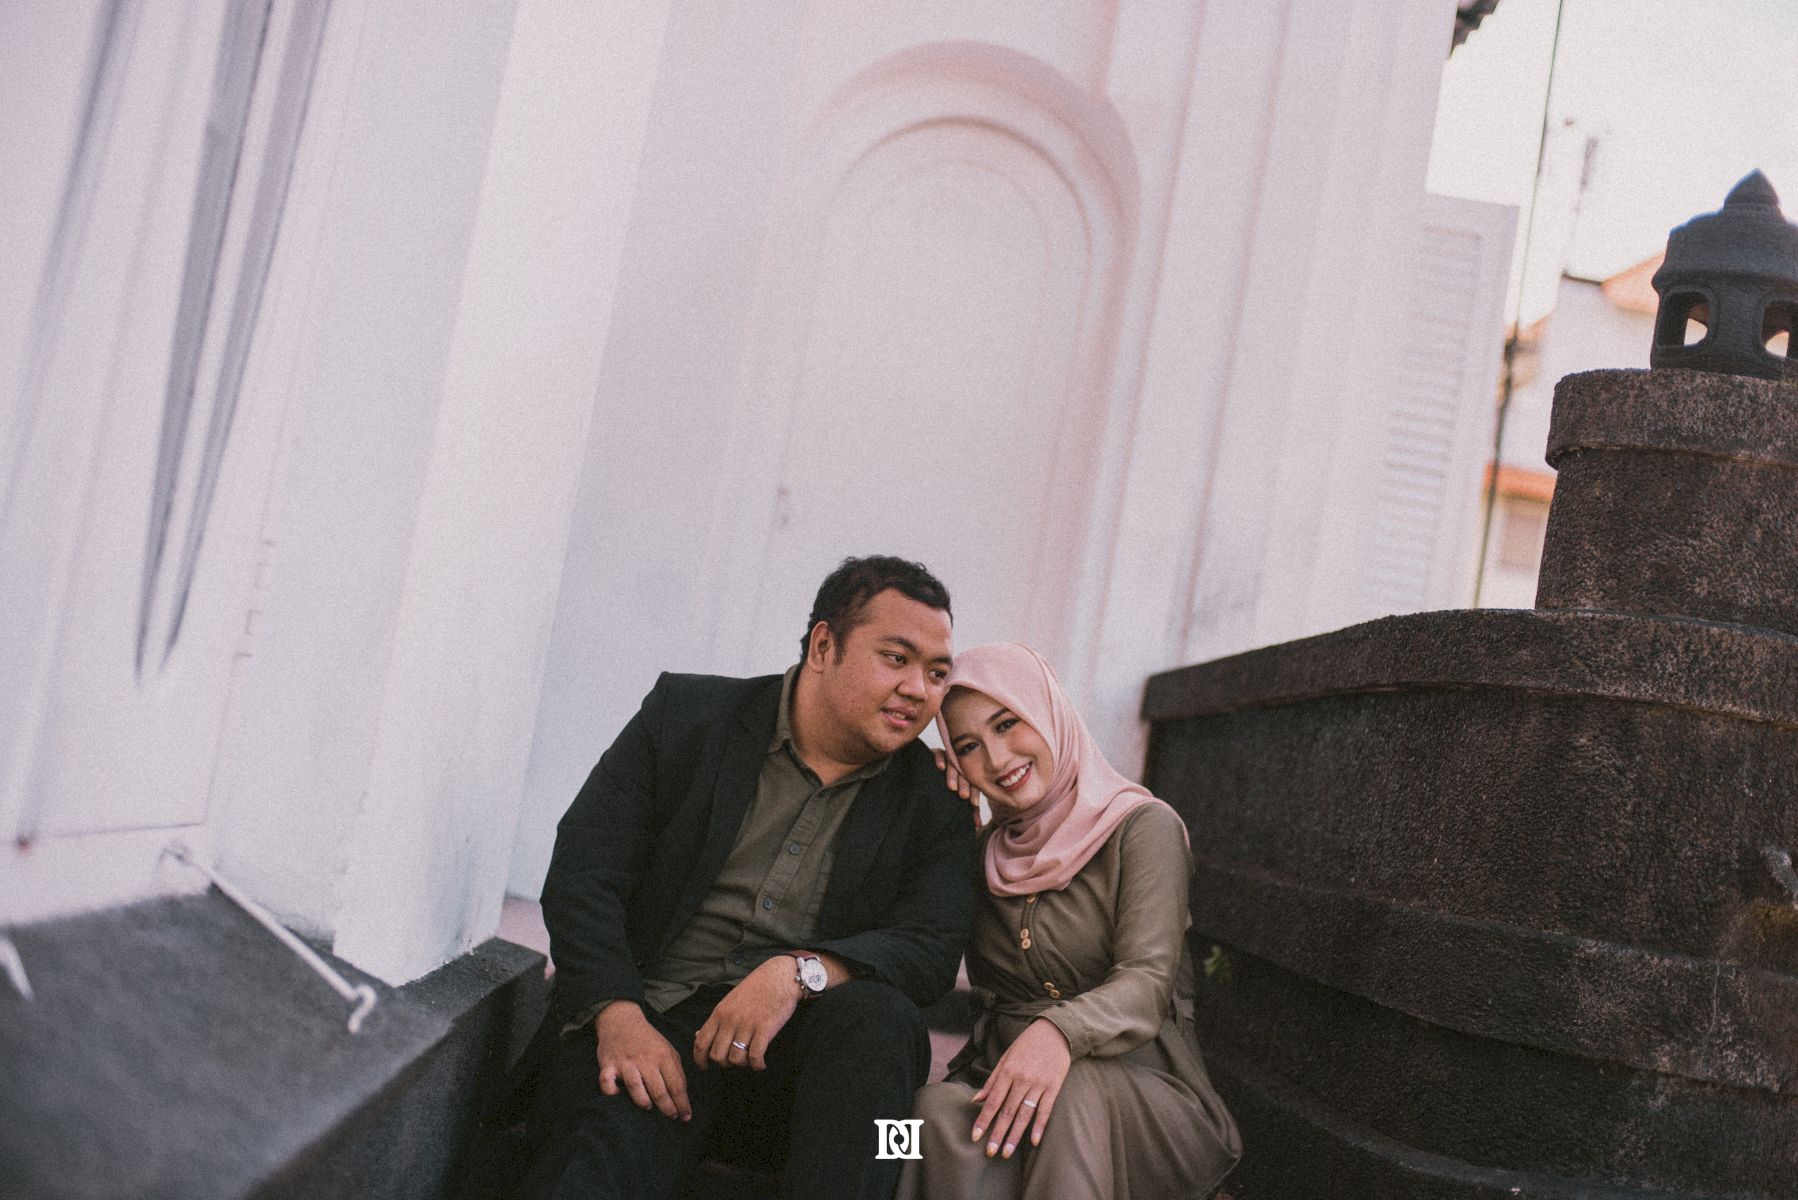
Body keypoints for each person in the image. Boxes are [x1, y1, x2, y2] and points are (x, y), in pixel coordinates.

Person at [513, 556, 976, 1200]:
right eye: (896, 658)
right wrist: (618, 1016)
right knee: (594, 1167)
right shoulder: (688, 716)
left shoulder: (936, 797)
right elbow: (584, 872)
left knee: (886, 1029)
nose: (918, 689)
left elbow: (931, 949)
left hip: (801, 1068)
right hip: (652, 1030)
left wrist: (799, 974)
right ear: (824, 647)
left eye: (937, 673)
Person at [899, 642, 1240, 1200]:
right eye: (968, 747)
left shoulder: (1142, 827)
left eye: (1007, 723)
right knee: (915, 1123)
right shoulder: (982, 853)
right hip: (1007, 1092)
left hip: (1147, 1101)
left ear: (1048, 710)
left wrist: (1058, 1033)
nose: (997, 758)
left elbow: (1147, 982)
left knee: (1072, 1091)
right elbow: (929, 956)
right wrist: (933, 808)